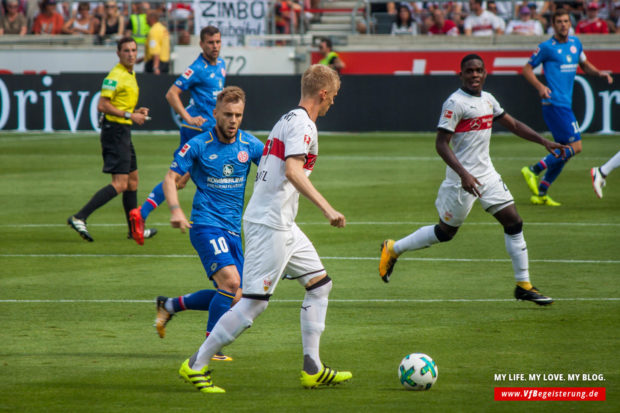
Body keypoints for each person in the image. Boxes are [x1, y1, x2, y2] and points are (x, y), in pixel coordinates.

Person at [176, 64, 352, 394]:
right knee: (254, 303)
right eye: (334, 97)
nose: (333, 104)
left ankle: (312, 368)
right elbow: (293, 172)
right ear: (323, 94)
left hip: (280, 221)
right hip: (270, 223)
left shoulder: (287, 118)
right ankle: (196, 365)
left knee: (320, 285)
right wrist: (328, 208)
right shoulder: (304, 126)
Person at [379, 54, 569, 306]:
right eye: (469, 71)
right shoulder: (455, 103)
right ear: (461, 75)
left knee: (513, 222)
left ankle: (523, 285)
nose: (475, 75)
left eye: (479, 70)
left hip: (487, 175)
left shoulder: (489, 100)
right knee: (444, 233)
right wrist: (463, 174)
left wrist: (543, 141)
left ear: (485, 73)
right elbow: (441, 144)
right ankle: (393, 248)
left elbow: (513, 124)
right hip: (461, 180)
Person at [155, 87, 263, 362]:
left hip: (232, 230)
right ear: (215, 113)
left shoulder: (249, 145)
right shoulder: (199, 145)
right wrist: (176, 211)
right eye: (227, 114)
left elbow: (278, 167)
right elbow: (170, 178)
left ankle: (170, 305)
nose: (233, 120)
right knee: (231, 282)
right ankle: (210, 347)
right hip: (205, 225)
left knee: (236, 295)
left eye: (238, 115)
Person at [129, 26, 225, 245]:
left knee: (180, 180)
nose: (215, 46)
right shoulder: (197, 68)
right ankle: (213, 221)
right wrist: (188, 118)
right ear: (201, 44)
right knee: (189, 176)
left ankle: (141, 214)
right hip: (196, 131)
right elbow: (171, 93)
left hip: (208, 131)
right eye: (211, 42)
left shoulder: (221, 64)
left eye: (218, 42)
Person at [520, 9, 613, 206]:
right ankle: (534, 169)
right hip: (554, 103)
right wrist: (540, 86)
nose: (563, 24)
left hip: (565, 103)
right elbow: (526, 69)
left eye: (566, 21)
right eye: (559, 21)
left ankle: (542, 192)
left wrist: (600, 73)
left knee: (564, 152)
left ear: (570, 24)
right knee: (576, 147)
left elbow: (585, 65)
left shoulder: (575, 43)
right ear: (553, 25)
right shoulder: (546, 47)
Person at [67, 37, 156, 243]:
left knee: (133, 180)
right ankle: (80, 217)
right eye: (126, 51)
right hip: (114, 131)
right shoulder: (115, 75)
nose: (131, 54)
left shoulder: (129, 73)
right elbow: (102, 105)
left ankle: (134, 230)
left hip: (123, 130)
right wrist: (130, 116)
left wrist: (134, 111)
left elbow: (119, 105)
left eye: (134, 50)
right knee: (120, 183)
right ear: (118, 53)